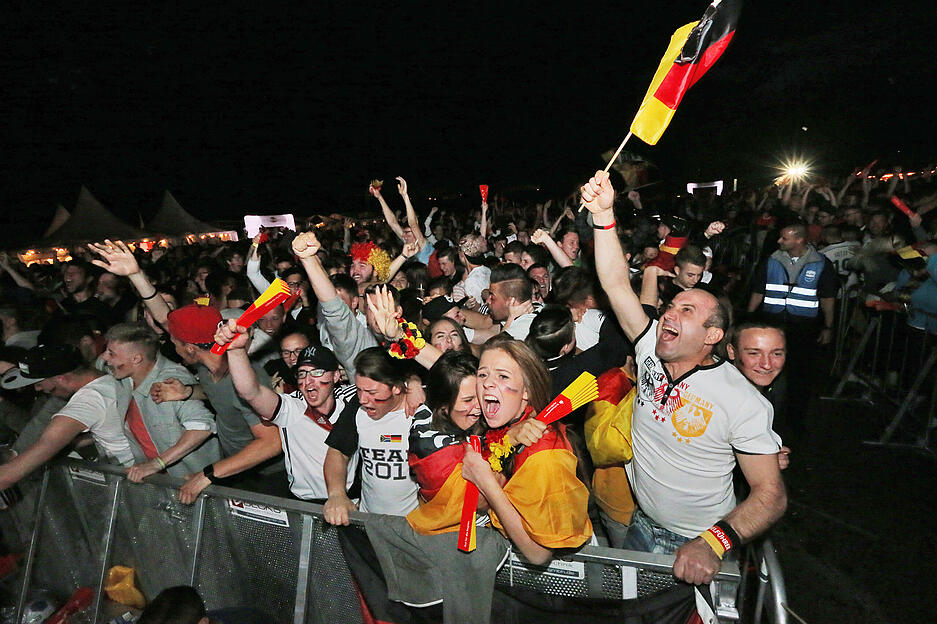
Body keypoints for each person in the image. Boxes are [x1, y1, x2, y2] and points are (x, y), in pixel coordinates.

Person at [582, 169, 786, 585]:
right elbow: (616, 283)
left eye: (686, 311)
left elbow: (771, 495)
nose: (670, 313)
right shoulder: (648, 351)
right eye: (672, 306)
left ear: (712, 336)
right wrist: (604, 217)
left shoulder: (741, 399)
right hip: (640, 524)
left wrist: (713, 543)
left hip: (699, 542)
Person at [461, 338, 593, 564]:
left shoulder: (545, 455)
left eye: (502, 376)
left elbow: (538, 554)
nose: (487, 384)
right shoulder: (504, 426)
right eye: (483, 375)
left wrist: (486, 482)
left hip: (558, 580)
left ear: (526, 391)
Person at [214, 319, 358, 503]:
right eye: (302, 373)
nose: (308, 381)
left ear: (336, 376)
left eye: (316, 372)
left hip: (351, 501)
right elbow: (251, 392)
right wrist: (235, 351)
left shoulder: (353, 398)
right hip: (306, 506)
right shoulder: (292, 407)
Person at [0, 345, 135, 490]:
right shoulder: (112, 379)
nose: (37, 389)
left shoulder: (87, 402)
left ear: (61, 379)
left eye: (38, 383)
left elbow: (9, 476)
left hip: (134, 486)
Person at [100, 323, 221, 482]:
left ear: (136, 359)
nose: (104, 357)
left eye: (111, 353)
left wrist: (157, 464)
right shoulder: (125, 377)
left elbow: (202, 427)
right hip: (158, 485)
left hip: (193, 484)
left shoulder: (170, 382)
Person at [322, 347, 426, 524]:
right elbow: (338, 452)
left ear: (396, 388)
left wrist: (414, 380)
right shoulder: (357, 408)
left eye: (372, 393)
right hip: (368, 524)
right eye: (359, 390)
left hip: (413, 528)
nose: (363, 399)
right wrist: (337, 494)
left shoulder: (421, 411)